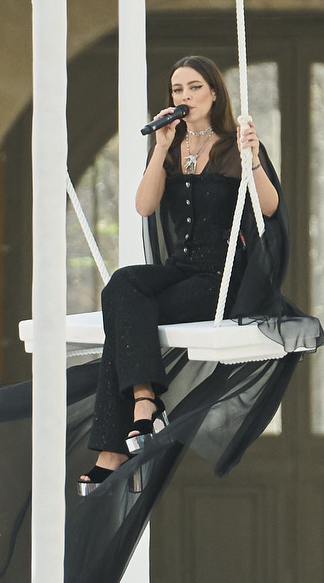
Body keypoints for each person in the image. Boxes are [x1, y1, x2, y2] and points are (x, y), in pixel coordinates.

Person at [82, 56, 280, 486]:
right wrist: (160, 148)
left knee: (125, 320)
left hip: (220, 280)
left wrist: (255, 159)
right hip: (180, 268)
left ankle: (115, 450)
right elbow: (143, 206)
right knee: (122, 286)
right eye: (177, 90)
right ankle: (145, 401)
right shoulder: (172, 148)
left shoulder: (234, 146)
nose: (184, 97)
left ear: (213, 93)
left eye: (193, 88)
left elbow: (267, 208)